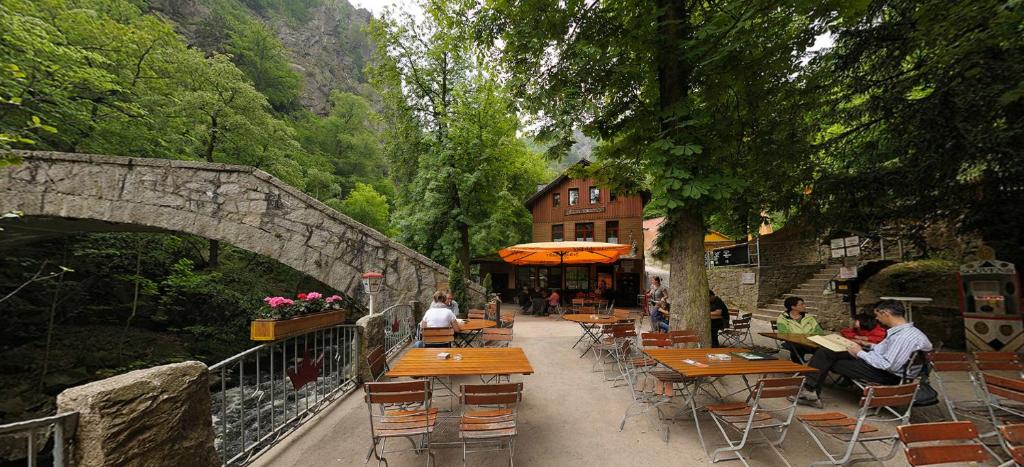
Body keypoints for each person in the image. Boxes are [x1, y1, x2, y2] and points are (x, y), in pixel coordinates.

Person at [798, 300, 933, 404]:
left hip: (888, 375)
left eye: (878, 315)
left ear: (886, 314)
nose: (877, 319)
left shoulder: (903, 337)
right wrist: (866, 345)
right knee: (827, 352)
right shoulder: (906, 332)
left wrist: (859, 353)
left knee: (828, 359)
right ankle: (810, 391)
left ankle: (810, 392)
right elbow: (886, 351)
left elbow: (888, 365)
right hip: (882, 365)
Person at [776, 296, 823, 363]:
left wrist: (811, 338)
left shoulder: (809, 317)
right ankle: (800, 366)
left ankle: (812, 365)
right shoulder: (783, 318)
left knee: (824, 350)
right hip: (793, 342)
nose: (804, 306)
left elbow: (819, 331)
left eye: (804, 304)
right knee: (796, 347)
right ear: (793, 307)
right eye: (801, 304)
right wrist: (802, 338)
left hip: (811, 342)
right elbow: (784, 333)